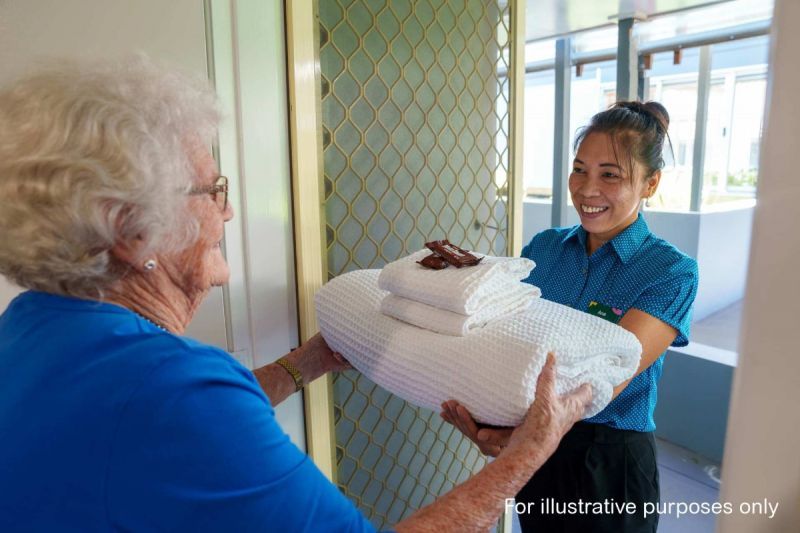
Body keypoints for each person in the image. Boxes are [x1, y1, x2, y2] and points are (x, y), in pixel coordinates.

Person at [0, 57, 593, 532]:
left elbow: (175, 439)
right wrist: (524, 458)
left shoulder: (32, 324)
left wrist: (309, 361)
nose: (227, 210)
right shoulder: (173, 392)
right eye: (212, 189)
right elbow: (182, 416)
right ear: (130, 229)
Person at [442, 101, 698, 532]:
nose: (586, 189)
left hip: (608, 461)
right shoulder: (543, 250)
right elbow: (505, 338)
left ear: (650, 183)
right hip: (538, 450)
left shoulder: (670, 272)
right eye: (579, 169)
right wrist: (494, 421)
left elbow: (607, 380)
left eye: (609, 174)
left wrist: (521, 438)